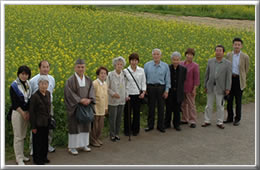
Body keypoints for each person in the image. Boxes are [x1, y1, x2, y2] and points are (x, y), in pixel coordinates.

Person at [64, 59, 95, 155]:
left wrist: (89, 100)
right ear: (75, 67)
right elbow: (69, 94)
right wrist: (80, 100)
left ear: (85, 68)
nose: (81, 69)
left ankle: (84, 144)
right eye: (79, 67)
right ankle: (72, 147)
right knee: (74, 126)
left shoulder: (88, 79)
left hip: (86, 106)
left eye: (82, 67)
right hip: (75, 107)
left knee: (86, 125)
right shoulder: (70, 80)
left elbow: (92, 91)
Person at [202, 45, 232, 129]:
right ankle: (207, 120)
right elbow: (206, 75)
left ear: (223, 52)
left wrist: (227, 88)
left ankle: (220, 121)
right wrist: (205, 85)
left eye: (220, 51)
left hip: (221, 87)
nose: (218, 52)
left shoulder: (228, 63)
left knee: (220, 105)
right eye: (217, 50)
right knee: (208, 105)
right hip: (210, 86)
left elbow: (228, 77)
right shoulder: (210, 61)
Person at [29, 60, 56, 155]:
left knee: (49, 127)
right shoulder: (33, 80)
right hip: (37, 109)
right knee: (35, 128)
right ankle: (33, 147)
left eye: (47, 67)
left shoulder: (52, 79)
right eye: (43, 67)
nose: (45, 69)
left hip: (49, 107)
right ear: (39, 68)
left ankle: (47, 145)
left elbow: (51, 92)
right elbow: (30, 95)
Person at [144, 48, 171, 133]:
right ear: (152, 55)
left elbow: (167, 79)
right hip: (150, 87)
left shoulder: (165, 66)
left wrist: (166, 91)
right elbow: (144, 78)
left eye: (157, 54)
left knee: (161, 107)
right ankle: (150, 125)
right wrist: (145, 89)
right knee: (151, 107)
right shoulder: (147, 65)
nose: (156, 56)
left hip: (161, 88)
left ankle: (160, 126)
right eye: (154, 54)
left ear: (160, 56)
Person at [9, 65, 32, 165]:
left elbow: (29, 99)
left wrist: (28, 112)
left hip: (26, 113)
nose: (24, 76)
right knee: (18, 136)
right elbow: (15, 103)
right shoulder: (14, 86)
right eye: (22, 74)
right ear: (18, 74)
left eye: (26, 74)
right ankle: (18, 158)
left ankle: (22, 155)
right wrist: (23, 113)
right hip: (18, 113)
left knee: (23, 135)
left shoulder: (28, 84)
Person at [225, 38, 250, 126]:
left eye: (239, 45)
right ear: (233, 45)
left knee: (238, 101)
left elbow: (246, 69)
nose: (237, 46)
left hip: (239, 80)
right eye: (235, 44)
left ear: (241, 46)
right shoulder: (228, 55)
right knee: (229, 100)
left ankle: (237, 119)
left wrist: (242, 77)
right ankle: (230, 117)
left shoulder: (245, 56)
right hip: (230, 80)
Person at [29, 75, 51, 165]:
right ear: (38, 84)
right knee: (37, 142)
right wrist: (33, 126)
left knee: (45, 141)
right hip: (38, 123)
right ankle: (37, 159)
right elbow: (32, 112)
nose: (43, 86)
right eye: (42, 84)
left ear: (48, 85)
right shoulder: (34, 96)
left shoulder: (48, 93)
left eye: (45, 84)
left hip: (46, 122)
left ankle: (44, 157)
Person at [123, 53, 146, 136]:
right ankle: (127, 130)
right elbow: (124, 84)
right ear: (129, 61)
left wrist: (143, 92)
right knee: (127, 113)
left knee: (136, 113)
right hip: (129, 95)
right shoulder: (125, 71)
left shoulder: (142, 70)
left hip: (138, 94)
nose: (134, 62)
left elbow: (143, 82)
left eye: (136, 60)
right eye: (132, 60)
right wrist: (126, 95)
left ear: (138, 61)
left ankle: (136, 129)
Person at [107, 56, 128, 142]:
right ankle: (112, 134)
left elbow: (127, 86)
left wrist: (126, 95)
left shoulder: (125, 74)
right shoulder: (110, 74)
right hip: (113, 100)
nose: (119, 66)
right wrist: (113, 94)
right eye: (118, 64)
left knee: (119, 118)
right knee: (113, 118)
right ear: (114, 65)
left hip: (122, 100)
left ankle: (117, 133)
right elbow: (107, 87)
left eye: (121, 64)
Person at [164, 52, 187, 131]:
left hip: (178, 92)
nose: (175, 61)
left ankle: (176, 124)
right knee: (168, 108)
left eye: (177, 60)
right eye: (174, 60)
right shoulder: (167, 68)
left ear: (180, 60)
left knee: (177, 109)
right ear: (171, 60)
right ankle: (167, 124)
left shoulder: (183, 69)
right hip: (169, 92)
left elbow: (183, 80)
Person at [180, 48, 200, 128]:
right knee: (183, 104)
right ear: (185, 55)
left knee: (191, 105)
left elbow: (196, 78)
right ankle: (185, 119)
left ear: (193, 56)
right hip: (182, 88)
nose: (189, 56)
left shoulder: (195, 66)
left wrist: (194, 89)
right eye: (188, 54)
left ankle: (192, 120)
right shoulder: (181, 63)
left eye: (191, 55)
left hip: (190, 88)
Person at [90, 66, 109, 147]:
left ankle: (97, 138)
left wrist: (106, 107)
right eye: (101, 73)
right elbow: (92, 96)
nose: (103, 75)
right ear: (98, 74)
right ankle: (93, 140)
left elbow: (106, 96)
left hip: (102, 108)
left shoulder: (105, 83)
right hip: (96, 108)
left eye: (105, 73)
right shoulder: (94, 83)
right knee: (95, 126)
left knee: (100, 126)